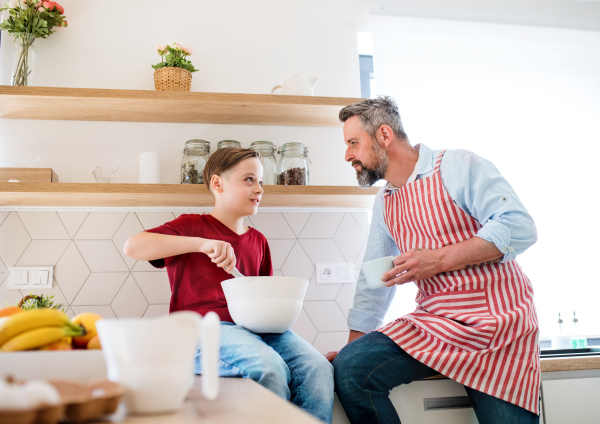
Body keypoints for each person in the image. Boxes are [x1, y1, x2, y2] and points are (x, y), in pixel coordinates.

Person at [328, 97, 540, 424]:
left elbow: (519, 225)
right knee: (352, 368)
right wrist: (352, 348)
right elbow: (376, 279)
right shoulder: (385, 202)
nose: (348, 155)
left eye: (354, 143)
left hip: (500, 327)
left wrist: (438, 260)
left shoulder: (458, 166)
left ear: (384, 135)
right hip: (439, 323)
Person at [124, 148, 334, 423]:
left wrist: (297, 350)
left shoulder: (259, 241)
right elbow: (134, 246)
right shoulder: (191, 226)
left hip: (257, 331)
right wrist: (201, 244)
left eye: (261, 181)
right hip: (204, 331)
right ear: (217, 183)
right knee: (267, 368)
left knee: (317, 367)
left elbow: (265, 304)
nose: (259, 189)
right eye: (249, 179)